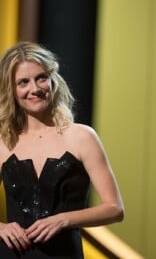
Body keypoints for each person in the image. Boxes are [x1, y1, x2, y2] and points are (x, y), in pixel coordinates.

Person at [0, 41, 124, 258]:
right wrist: (1, 227)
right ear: (11, 90)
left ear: (52, 80)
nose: (35, 89)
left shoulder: (82, 137)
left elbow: (114, 208)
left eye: (41, 78)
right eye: (23, 82)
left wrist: (64, 219)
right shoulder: (4, 141)